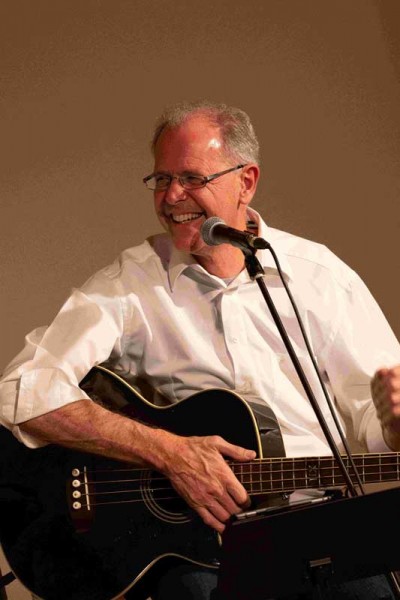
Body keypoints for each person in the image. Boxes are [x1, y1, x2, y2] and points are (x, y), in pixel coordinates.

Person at [1, 101, 400, 600]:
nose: (172, 197)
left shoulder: (321, 277)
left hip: (319, 524)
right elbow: (22, 392)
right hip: (201, 547)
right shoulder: (130, 285)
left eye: (192, 178)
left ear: (246, 182)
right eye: (161, 179)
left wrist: (393, 425)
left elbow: (373, 424)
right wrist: (169, 453)